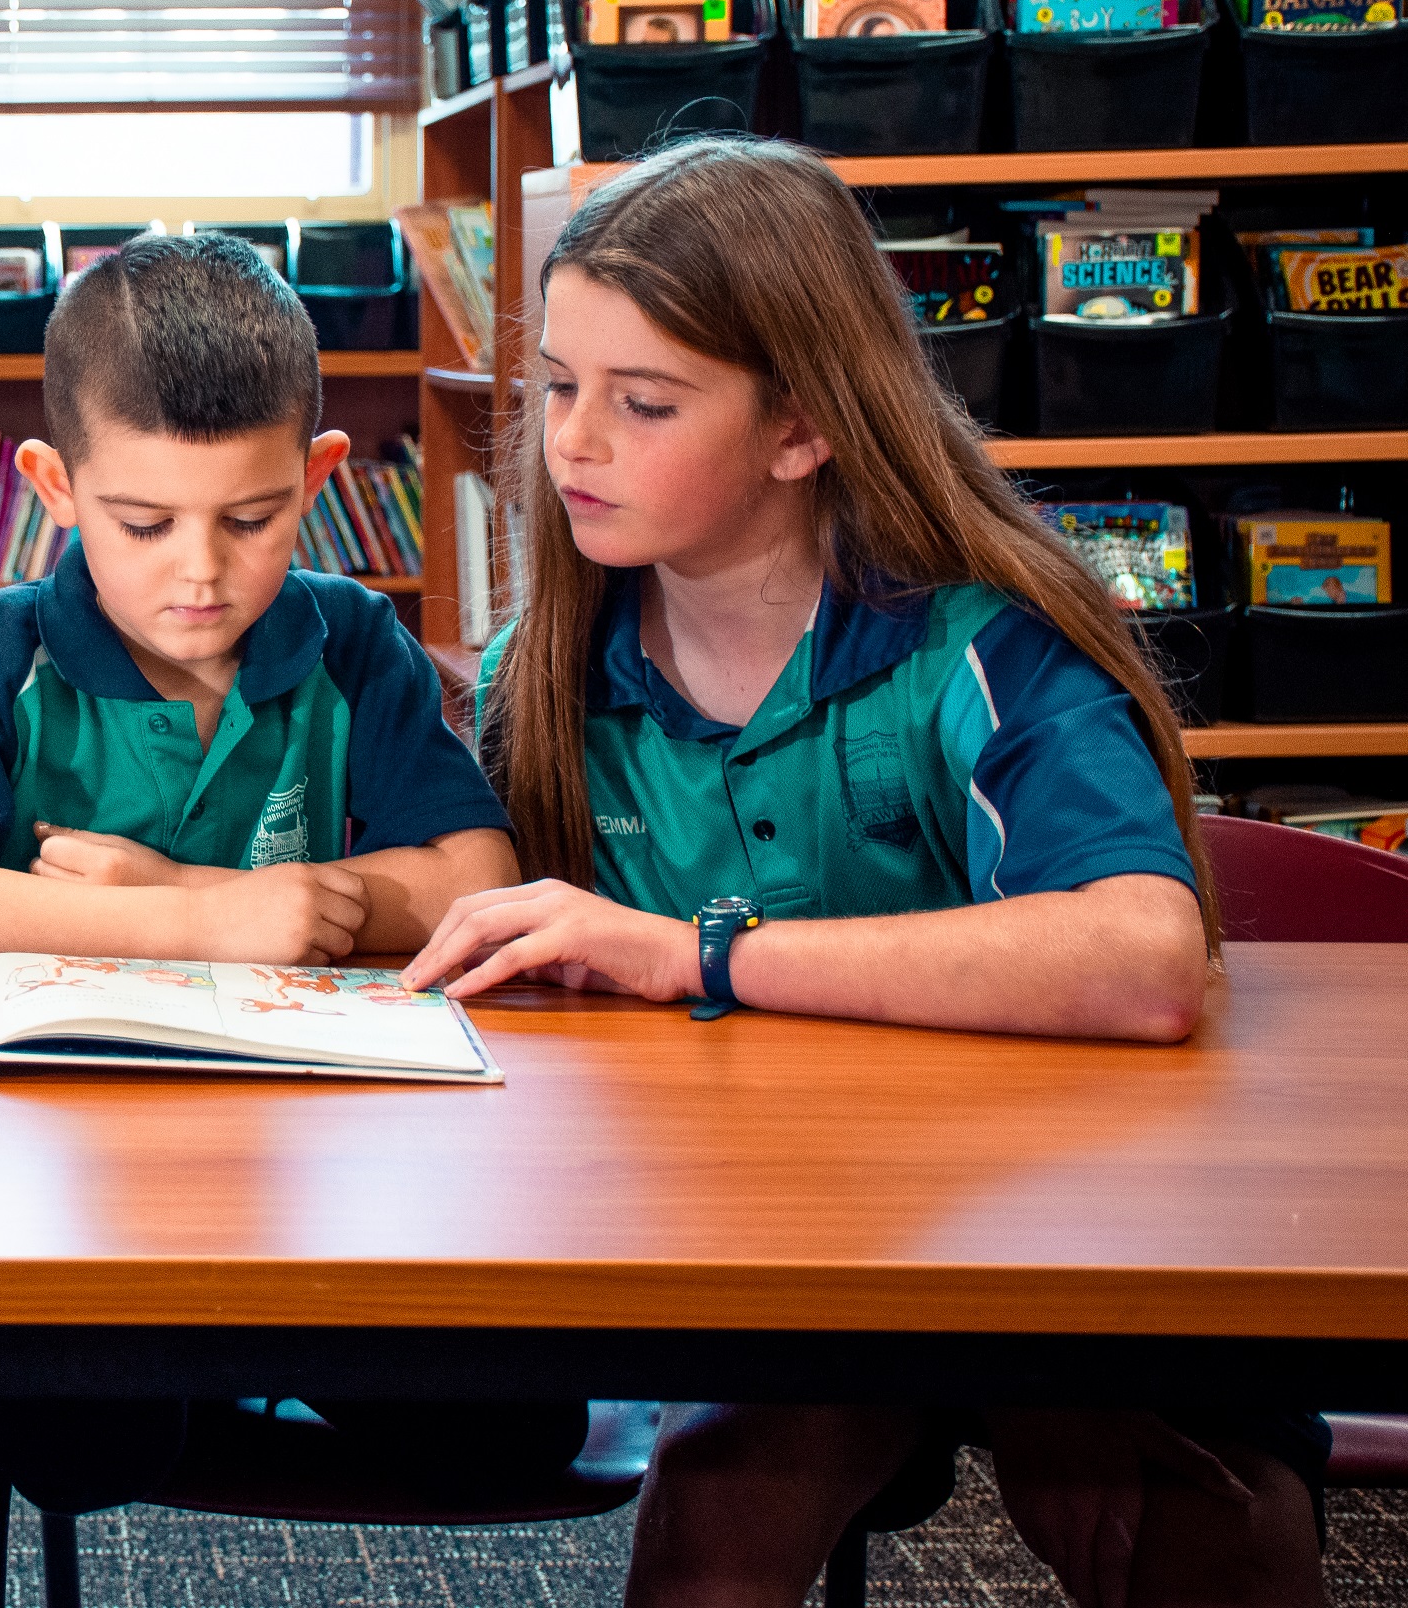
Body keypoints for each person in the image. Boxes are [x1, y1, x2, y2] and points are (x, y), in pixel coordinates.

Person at [405, 136, 1323, 1607]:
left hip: (1097, 1235)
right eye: (559, 385)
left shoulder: (985, 641)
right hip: (788, 1268)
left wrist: (696, 953)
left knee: (1202, 1534)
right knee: (710, 1533)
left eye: (640, 403)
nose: (569, 443)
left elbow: (1147, 960)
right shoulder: (543, 679)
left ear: (802, 429)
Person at [0, 232, 569, 1522]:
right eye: (143, 521)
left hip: (319, 1175)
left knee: (518, 1436)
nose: (199, 569)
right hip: (64, 1187)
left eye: (250, 518)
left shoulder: (350, 638)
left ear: (317, 476)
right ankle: (203, 1364)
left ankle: (245, 1351)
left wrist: (181, 881)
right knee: (78, 1458)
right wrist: (187, 916)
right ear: (55, 486)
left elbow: (474, 874)